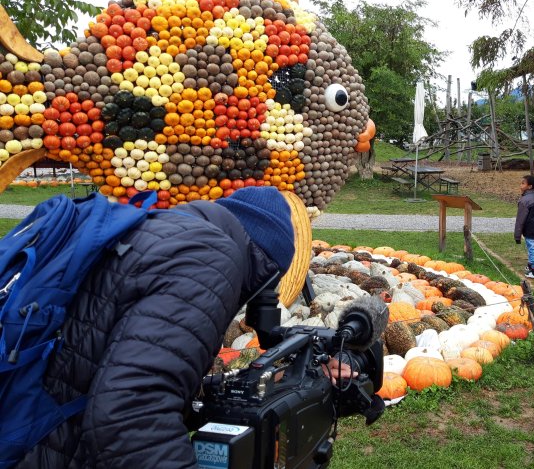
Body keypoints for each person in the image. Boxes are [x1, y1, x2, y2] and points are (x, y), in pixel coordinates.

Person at [15, 186, 352, 468]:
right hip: (48, 450)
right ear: (264, 270)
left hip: (34, 426)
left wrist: (250, 386)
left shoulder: (167, 234)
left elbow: (129, 366)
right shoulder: (211, 259)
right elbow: (131, 414)